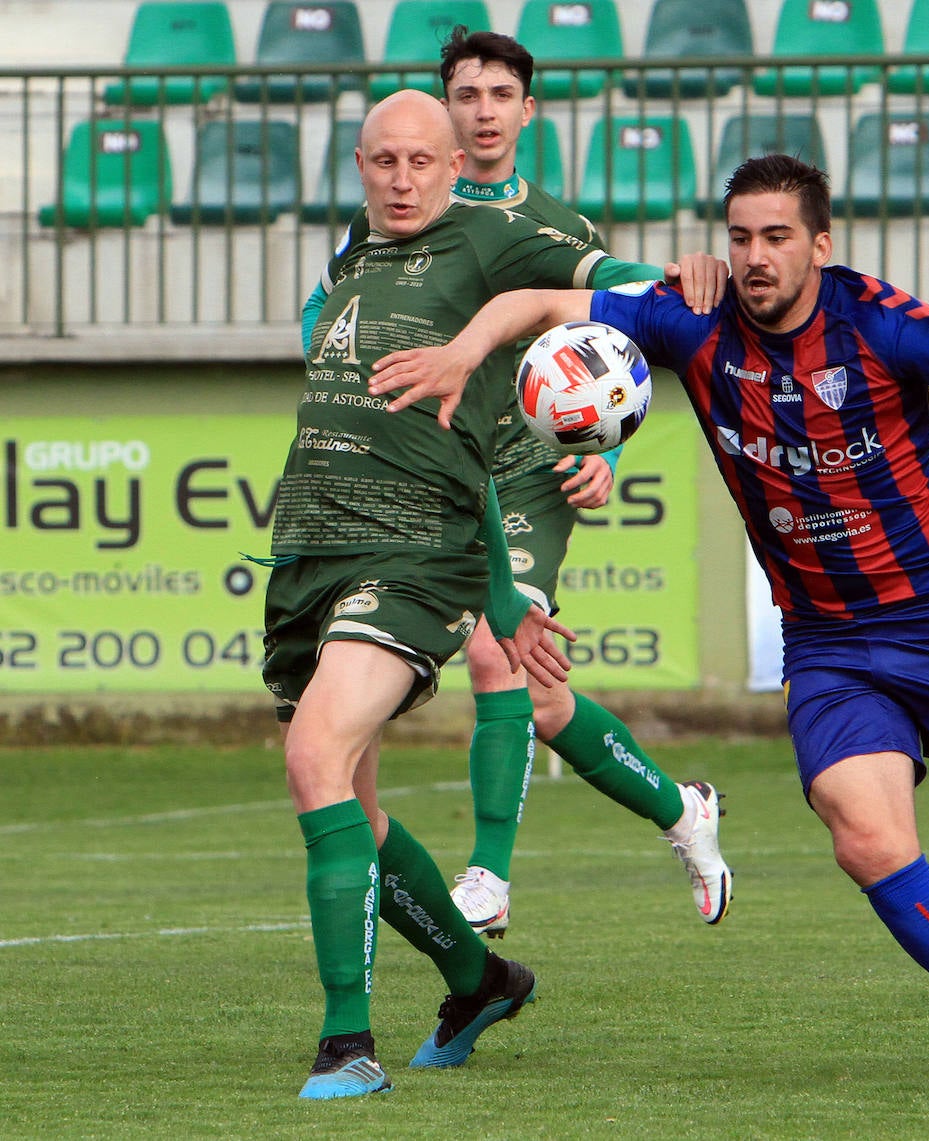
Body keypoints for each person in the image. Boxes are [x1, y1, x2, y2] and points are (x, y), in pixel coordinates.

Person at [367, 154, 929, 1096]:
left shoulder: (881, 321)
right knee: (867, 838)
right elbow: (540, 306)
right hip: (829, 641)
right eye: (742, 237)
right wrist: (467, 350)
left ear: (820, 245)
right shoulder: (688, 318)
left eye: (777, 237)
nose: (755, 257)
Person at [269, 88, 715, 1101]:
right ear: (360, 163)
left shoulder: (491, 242)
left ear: (450, 163)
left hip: (415, 551)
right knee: (353, 806)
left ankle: (348, 1043)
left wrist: (680, 279)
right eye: (383, 160)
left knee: (314, 756)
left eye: (420, 160)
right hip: (311, 547)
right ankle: (480, 980)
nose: (402, 177)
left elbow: (605, 296)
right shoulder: (356, 259)